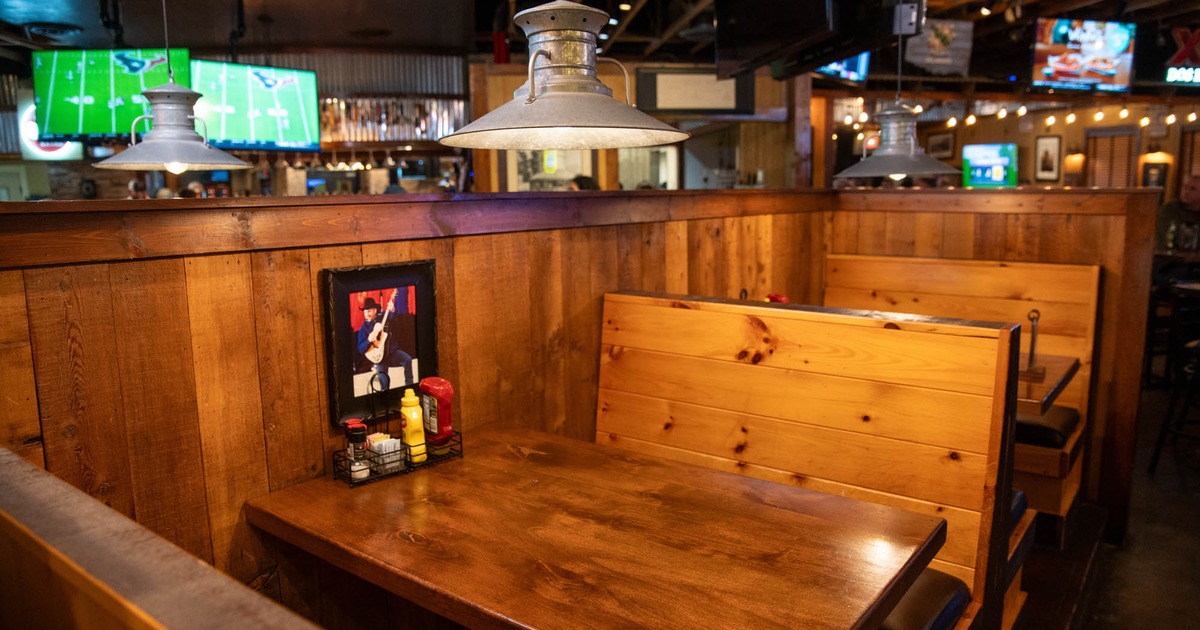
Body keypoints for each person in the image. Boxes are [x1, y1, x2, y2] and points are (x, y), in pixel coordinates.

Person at [356, 294, 414, 393]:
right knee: (385, 386)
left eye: (369, 311)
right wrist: (368, 340)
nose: (366, 314)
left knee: (408, 360)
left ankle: (410, 388)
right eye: (365, 312)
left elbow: (392, 317)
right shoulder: (363, 328)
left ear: (375, 310)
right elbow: (360, 348)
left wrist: (392, 310)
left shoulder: (382, 317)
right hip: (380, 359)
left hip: (391, 353)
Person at [1157, 174, 1200, 253]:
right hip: (1169, 257)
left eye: (1193, 189)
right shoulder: (1170, 209)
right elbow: (1167, 239)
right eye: (1185, 187)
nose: (1186, 192)